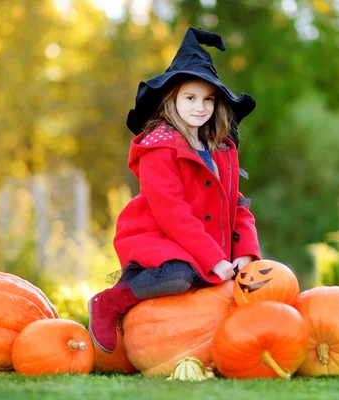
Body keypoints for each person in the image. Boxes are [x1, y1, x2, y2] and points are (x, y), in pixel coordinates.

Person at [88, 27, 261, 353]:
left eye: (208, 99)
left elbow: (235, 205)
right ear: (172, 100)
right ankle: (110, 301)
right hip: (157, 238)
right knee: (181, 276)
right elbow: (173, 213)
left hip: (202, 246)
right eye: (190, 98)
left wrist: (246, 252)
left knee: (231, 281)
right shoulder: (159, 150)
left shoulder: (221, 149)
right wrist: (213, 259)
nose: (200, 107)